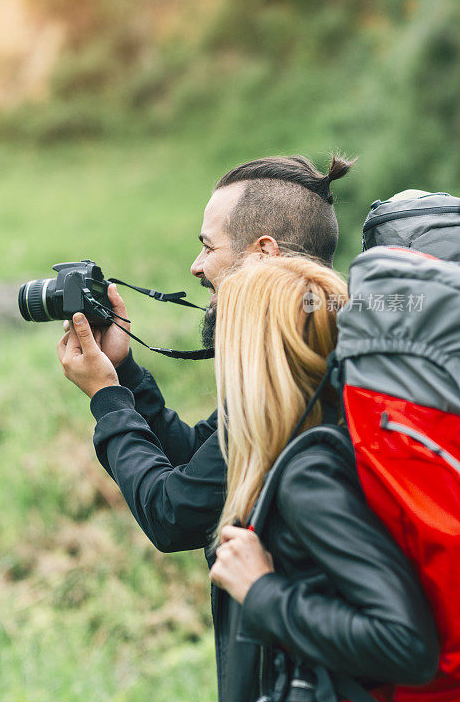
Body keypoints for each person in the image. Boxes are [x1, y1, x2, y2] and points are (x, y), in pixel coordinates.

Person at [57, 154, 353, 552]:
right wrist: (123, 371)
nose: (196, 267)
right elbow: (198, 457)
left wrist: (107, 398)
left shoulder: (294, 377)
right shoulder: (313, 350)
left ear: (264, 254)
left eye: (209, 247)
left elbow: (173, 514)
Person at [207, 255, 439, 702]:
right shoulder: (322, 442)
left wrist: (262, 592)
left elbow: (407, 643)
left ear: (253, 361)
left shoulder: (309, 477)